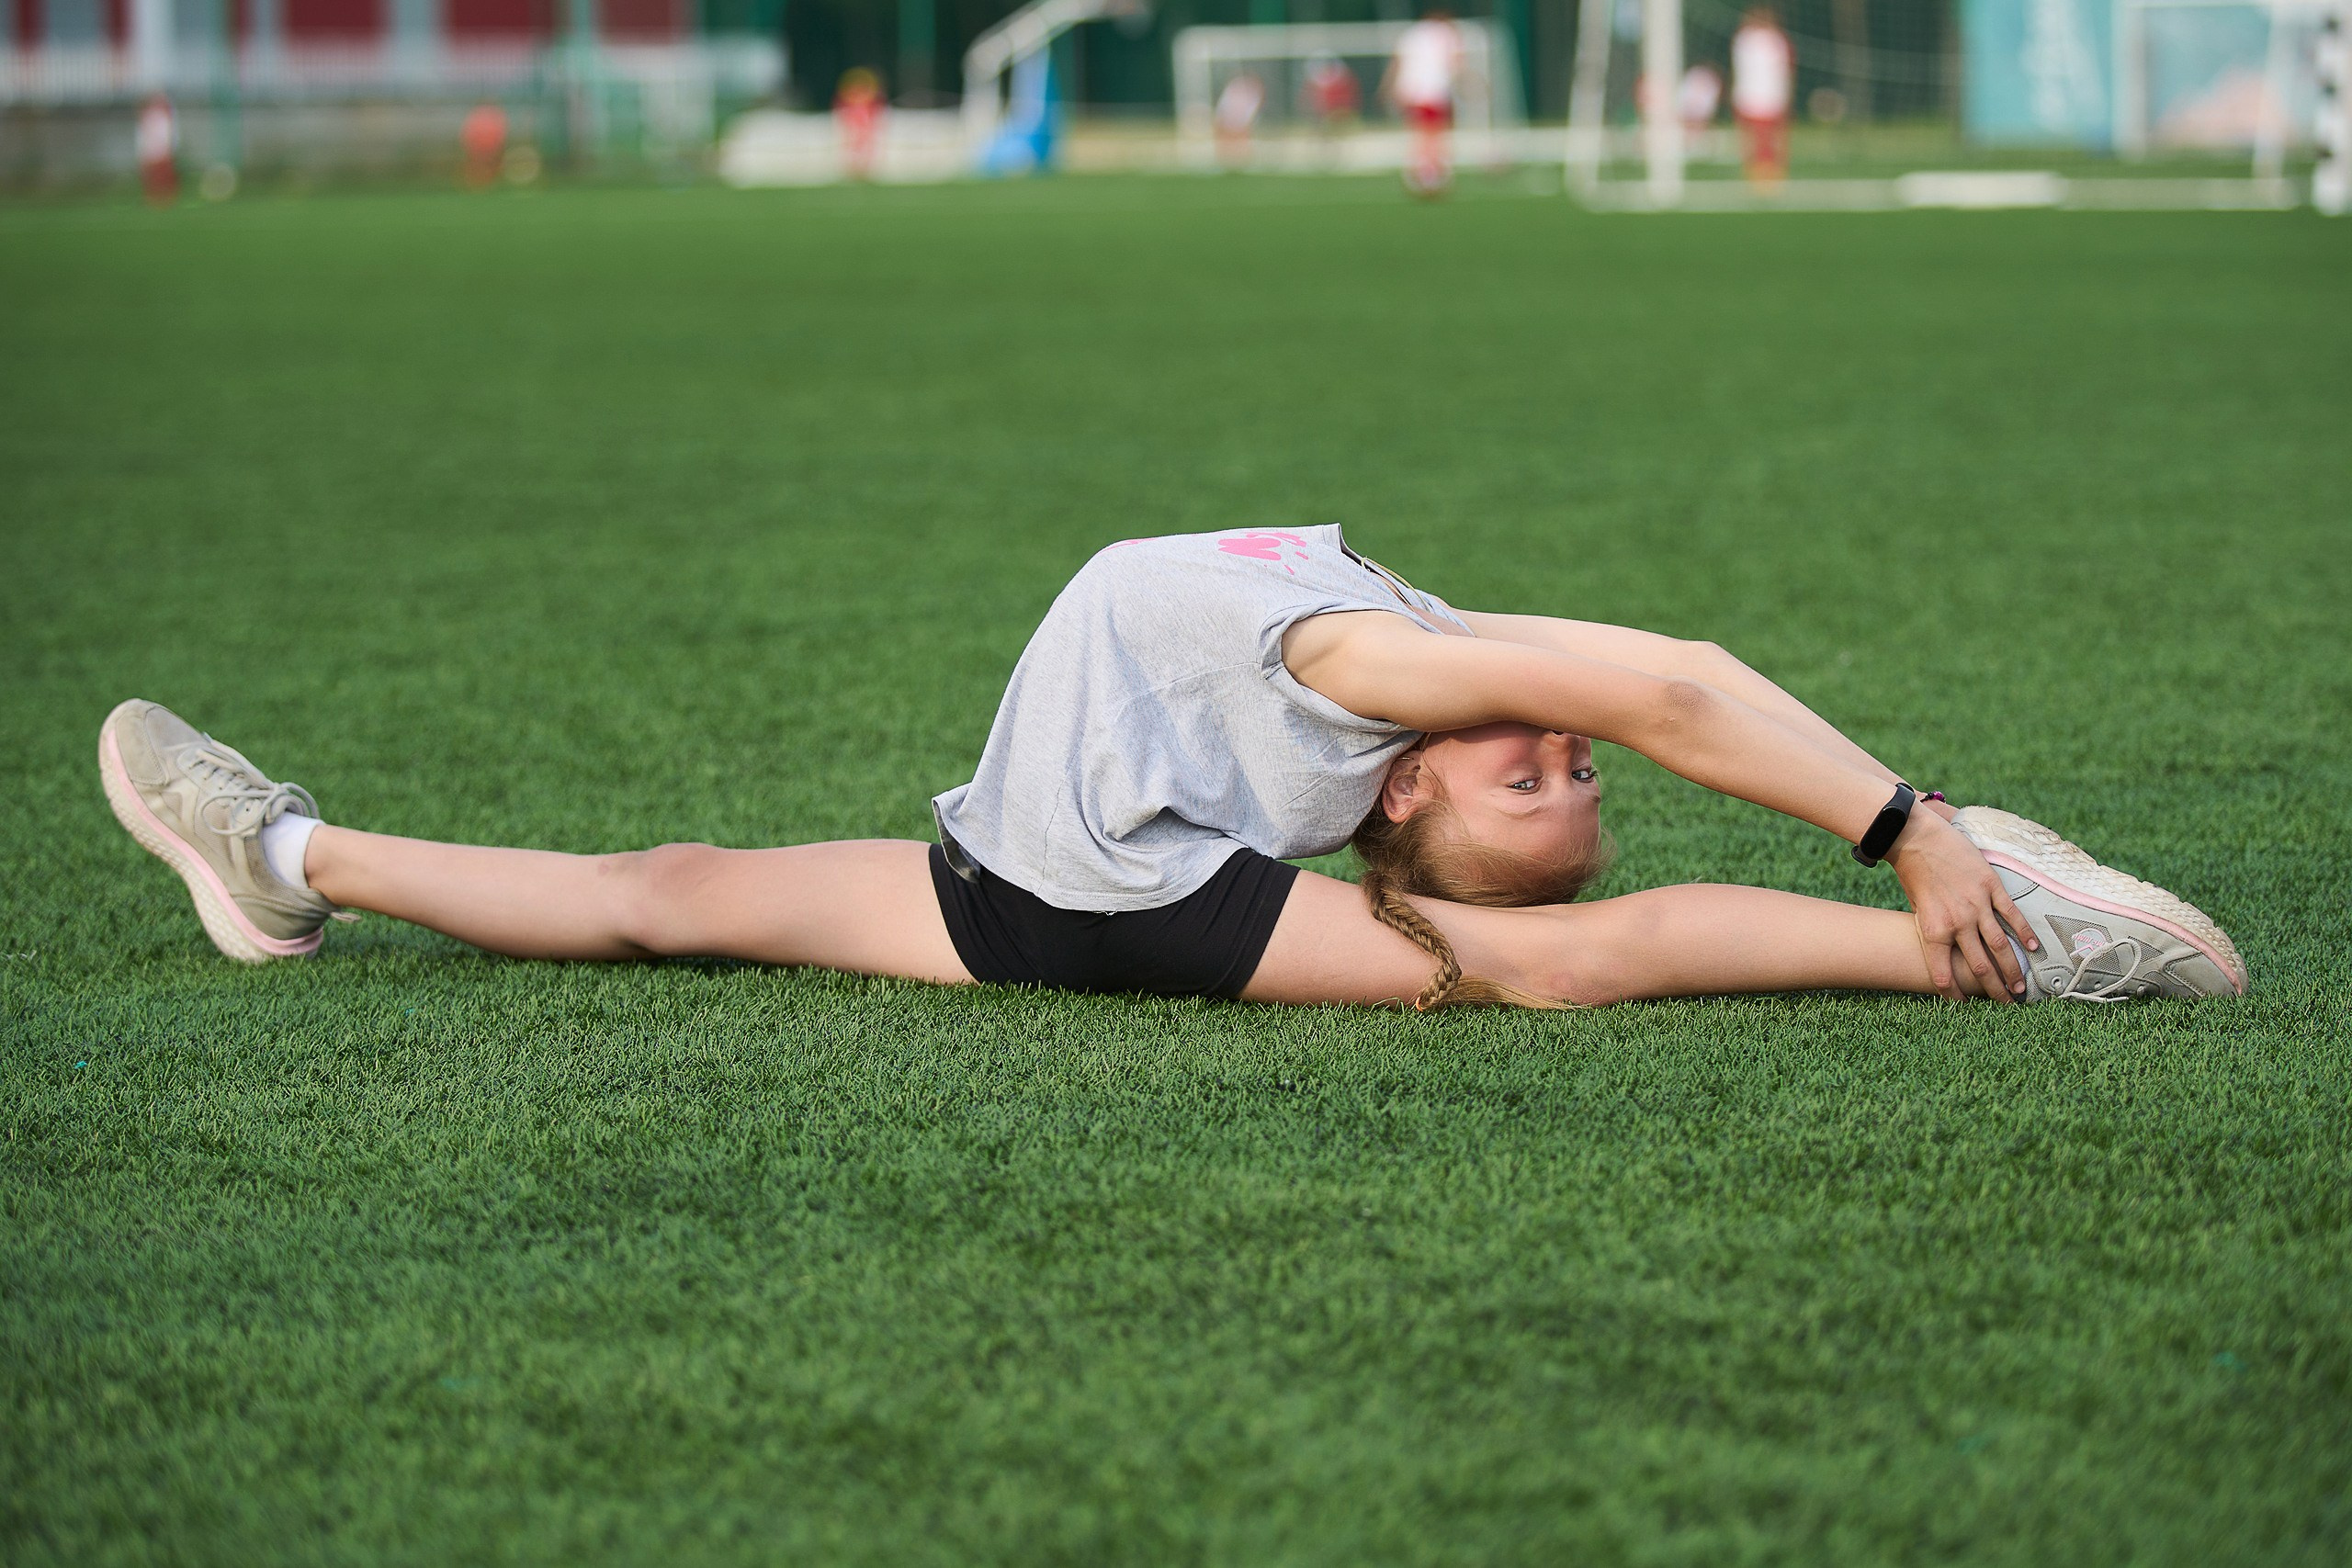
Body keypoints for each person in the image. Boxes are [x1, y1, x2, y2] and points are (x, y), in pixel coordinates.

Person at [96, 525, 2245, 1010]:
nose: (1549, 736)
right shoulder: (1378, 649)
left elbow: (1638, 829)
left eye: (1528, 780)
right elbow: (1665, 676)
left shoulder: (1351, 694)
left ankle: (2016, 946)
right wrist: (1900, 816)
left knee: (1538, 970)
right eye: (1547, 755)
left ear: (1401, 810)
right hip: (1003, 868)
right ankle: (275, 845)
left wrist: (1919, 874)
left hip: (1106, 895)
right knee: (662, 877)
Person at [1382, 7, 1464, 197]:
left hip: (1411, 91)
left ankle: (1419, 173)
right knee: (1434, 134)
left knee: (1420, 134)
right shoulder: (1446, 33)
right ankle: (1431, 174)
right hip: (1434, 91)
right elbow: (1456, 62)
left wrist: (1390, 87)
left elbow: (1397, 62)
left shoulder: (1412, 33)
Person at [1732, 6, 1794, 187]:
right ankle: (1753, 172)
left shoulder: (1776, 40)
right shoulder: (1745, 39)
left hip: (1771, 95)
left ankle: (1772, 173)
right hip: (1750, 94)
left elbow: (1785, 70)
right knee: (1751, 137)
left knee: (1771, 137)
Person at [834, 68, 887, 182]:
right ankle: (853, 168)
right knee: (853, 146)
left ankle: (864, 168)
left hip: (864, 128)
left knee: (865, 147)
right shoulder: (852, 102)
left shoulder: (867, 103)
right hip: (855, 128)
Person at [136, 95, 178, 208]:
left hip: (161, 146)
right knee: (152, 173)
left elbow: (167, 133)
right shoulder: (148, 117)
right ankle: (154, 197)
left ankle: (167, 196)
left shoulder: (164, 117)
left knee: (164, 172)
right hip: (152, 147)